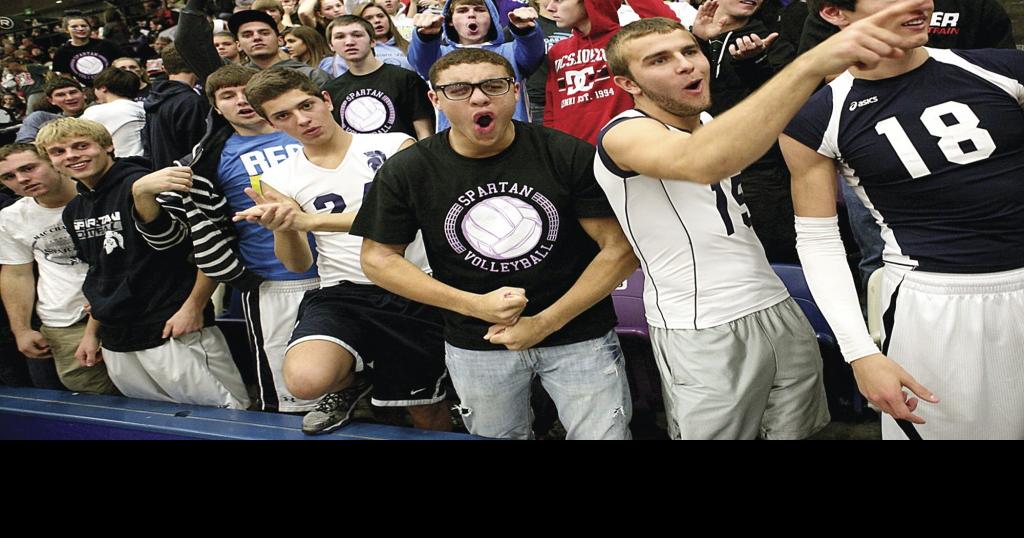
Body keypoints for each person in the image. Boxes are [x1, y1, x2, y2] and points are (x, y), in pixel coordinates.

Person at [351, 48, 639, 440]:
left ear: (516, 92)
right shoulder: (409, 169)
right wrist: (475, 305)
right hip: (477, 340)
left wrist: (544, 323)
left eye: (493, 85)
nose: (479, 97)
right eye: (458, 89)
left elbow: (619, 249)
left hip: (578, 333)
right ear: (435, 99)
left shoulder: (566, 153)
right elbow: (378, 259)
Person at [781, 0, 1024, 440]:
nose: (921, 4)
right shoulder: (815, 119)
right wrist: (860, 353)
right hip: (935, 305)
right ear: (836, 14)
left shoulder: (1004, 70)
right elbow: (819, 242)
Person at [593, 16, 839, 439]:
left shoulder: (709, 123)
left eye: (690, 51)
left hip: (774, 303)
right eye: (659, 60)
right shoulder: (624, 132)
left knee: (801, 433)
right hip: (702, 322)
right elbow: (701, 161)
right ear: (627, 84)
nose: (687, 65)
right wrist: (809, 65)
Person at [238, 67, 451, 433]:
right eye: (284, 116)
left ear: (326, 100)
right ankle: (352, 383)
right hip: (344, 292)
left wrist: (310, 221)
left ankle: (376, 380)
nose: (302, 120)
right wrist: (284, 228)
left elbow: (415, 217)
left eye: (306, 105)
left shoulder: (393, 145)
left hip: (414, 287)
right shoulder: (279, 177)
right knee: (304, 381)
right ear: (272, 125)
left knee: (424, 415)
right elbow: (298, 262)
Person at [36, 117, 250, 408]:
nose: (72, 155)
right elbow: (100, 273)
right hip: (117, 340)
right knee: (155, 422)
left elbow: (206, 248)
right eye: (58, 152)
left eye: (81, 146)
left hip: (172, 327)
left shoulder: (152, 182)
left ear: (108, 145)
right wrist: (91, 333)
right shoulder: (74, 209)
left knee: (226, 416)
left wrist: (194, 307)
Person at [172, 64, 323, 412]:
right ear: (215, 106)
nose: (241, 101)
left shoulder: (307, 132)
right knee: (291, 393)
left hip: (340, 272)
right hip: (274, 283)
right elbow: (206, 232)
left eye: (246, 91)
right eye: (228, 96)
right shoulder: (209, 158)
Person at [0, 143, 119, 395]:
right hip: (64, 320)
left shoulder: (101, 196)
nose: (22, 179)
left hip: (120, 309)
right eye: (8, 176)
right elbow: (16, 273)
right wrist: (21, 329)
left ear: (52, 161)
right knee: (95, 403)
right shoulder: (11, 217)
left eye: (29, 168)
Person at [542, 0, 678, 144]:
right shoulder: (557, 50)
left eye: (559, 0)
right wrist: (552, 146)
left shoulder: (627, 41)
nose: (550, 8)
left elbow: (670, 29)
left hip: (623, 149)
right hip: (570, 156)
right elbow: (552, 109)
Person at [408, 0, 544, 129]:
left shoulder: (511, 51)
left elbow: (533, 52)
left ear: (492, 18)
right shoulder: (439, 55)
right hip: (456, 145)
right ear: (449, 21)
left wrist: (525, 31)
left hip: (512, 139)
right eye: (462, 10)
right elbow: (420, 60)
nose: (471, 14)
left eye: (479, 10)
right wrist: (426, 37)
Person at [321, 16, 434, 138]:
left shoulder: (406, 79)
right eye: (340, 37)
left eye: (357, 35)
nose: (349, 42)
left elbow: (425, 133)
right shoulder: (331, 90)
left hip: (404, 154)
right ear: (331, 46)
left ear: (373, 41)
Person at [175, 5, 331, 87]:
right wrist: (195, 5)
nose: (256, 37)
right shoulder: (232, 77)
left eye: (264, 32)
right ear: (238, 45)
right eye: (247, 35)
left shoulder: (311, 76)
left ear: (280, 40)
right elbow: (189, 43)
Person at [142, 45, 210, 169]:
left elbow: (147, 144)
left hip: (162, 175)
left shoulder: (154, 97)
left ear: (164, 68)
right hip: (186, 176)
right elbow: (198, 146)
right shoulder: (191, 101)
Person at [82, 67, 147, 158]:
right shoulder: (144, 107)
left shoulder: (96, 112)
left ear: (103, 88)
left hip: (122, 165)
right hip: (151, 162)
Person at [51, 15, 125, 87]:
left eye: (84, 26)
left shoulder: (107, 45)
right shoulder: (62, 52)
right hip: (87, 90)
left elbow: (123, 64)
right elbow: (66, 78)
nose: (80, 29)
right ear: (66, 30)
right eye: (74, 27)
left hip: (115, 85)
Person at [15, 77, 87, 143]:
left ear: (83, 94)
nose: (69, 98)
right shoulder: (40, 118)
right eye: (61, 95)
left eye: (73, 92)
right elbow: (23, 146)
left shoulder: (97, 110)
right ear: (51, 100)